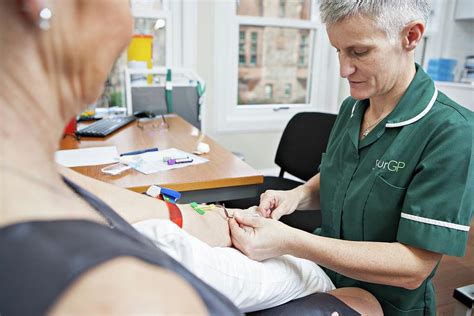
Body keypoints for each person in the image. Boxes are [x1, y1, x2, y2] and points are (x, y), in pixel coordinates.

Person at [0, 0, 381, 315]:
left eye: (358, 51)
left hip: (361, 275)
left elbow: (86, 194)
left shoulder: (36, 176)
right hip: (330, 274)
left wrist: (184, 216)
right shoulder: (121, 296)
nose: (130, 23)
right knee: (362, 304)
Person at [229, 1, 474, 315]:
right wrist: (296, 196)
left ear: (410, 36)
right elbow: (341, 175)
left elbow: (413, 268)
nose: (344, 69)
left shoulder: (452, 132)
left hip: (387, 302)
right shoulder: (352, 109)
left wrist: (291, 241)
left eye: (359, 52)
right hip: (321, 275)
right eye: (338, 51)